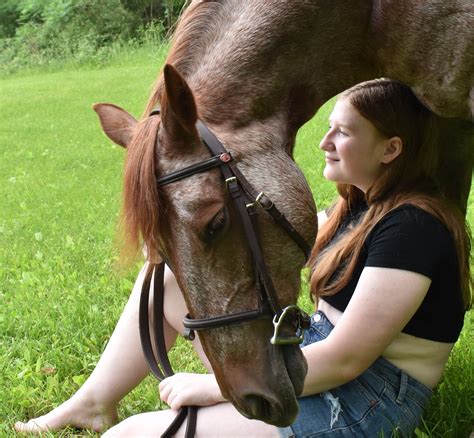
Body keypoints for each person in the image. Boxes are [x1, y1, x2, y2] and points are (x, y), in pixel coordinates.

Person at [15, 79, 471, 437]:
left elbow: (346, 359)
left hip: (365, 401)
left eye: (344, 132)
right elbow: (263, 239)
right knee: (168, 280)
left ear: (391, 149)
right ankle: (94, 401)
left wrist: (213, 388)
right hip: (313, 356)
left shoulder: (414, 228)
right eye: (329, 126)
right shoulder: (360, 206)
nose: (324, 142)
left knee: (131, 435)